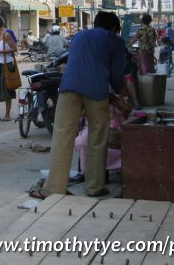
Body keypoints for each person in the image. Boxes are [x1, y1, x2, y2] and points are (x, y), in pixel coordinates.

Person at [31, 11, 126, 200]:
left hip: (68, 88)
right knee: (98, 137)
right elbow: (116, 75)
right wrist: (119, 93)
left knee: (62, 136)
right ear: (114, 28)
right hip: (97, 92)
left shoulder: (79, 36)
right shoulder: (115, 41)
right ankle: (94, 187)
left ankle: (53, 189)